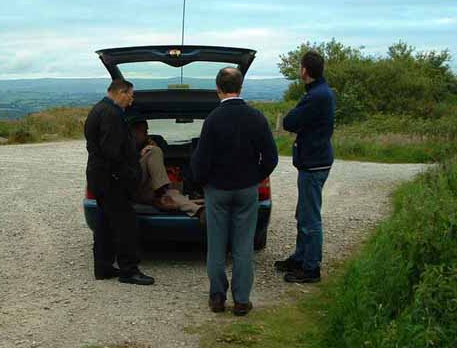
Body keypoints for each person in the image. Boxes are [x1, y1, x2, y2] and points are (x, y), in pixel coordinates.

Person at [191, 67, 278, 316]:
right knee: (243, 246)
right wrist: (254, 177)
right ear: (241, 87)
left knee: (216, 245)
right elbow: (271, 157)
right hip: (246, 190)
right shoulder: (256, 117)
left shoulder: (213, 120)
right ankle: (241, 300)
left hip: (217, 190)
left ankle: (217, 297)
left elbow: (201, 160)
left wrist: (202, 182)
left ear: (218, 88)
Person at [84, 79, 155, 286]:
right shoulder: (112, 114)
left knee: (104, 224)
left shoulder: (98, 109)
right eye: (130, 96)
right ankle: (129, 270)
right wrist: (127, 176)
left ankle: (103, 267)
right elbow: (112, 152)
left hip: (100, 178)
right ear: (121, 93)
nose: (131, 101)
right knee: (126, 225)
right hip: (111, 181)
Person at [274, 50, 335, 283]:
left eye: (300, 67)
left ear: (305, 71)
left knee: (310, 219)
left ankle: (311, 268)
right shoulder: (319, 92)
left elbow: (290, 121)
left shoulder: (317, 96)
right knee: (304, 214)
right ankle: (300, 258)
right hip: (314, 161)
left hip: (314, 164)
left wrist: (295, 118)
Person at [130, 120, 205, 222]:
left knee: (173, 194)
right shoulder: (123, 145)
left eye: (146, 131)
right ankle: (162, 193)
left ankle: (199, 211)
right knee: (155, 151)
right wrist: (141, 155)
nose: (147, 134)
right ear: (133, 131)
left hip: (149, 192)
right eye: (144, 131)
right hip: (133, 187)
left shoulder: (147, 145)